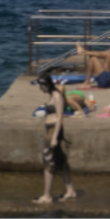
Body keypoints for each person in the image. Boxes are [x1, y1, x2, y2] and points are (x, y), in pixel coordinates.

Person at [34, 72, 78, 204]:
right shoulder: (51, 96)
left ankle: (47, 196)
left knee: (48, 161)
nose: (40, 88)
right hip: (50, 130)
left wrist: (54, 138)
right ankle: (70, 191)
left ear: (46, 84)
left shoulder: (57, 96)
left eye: (41, 85)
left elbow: (60, 117)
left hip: (54, 131)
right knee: (60, 160)